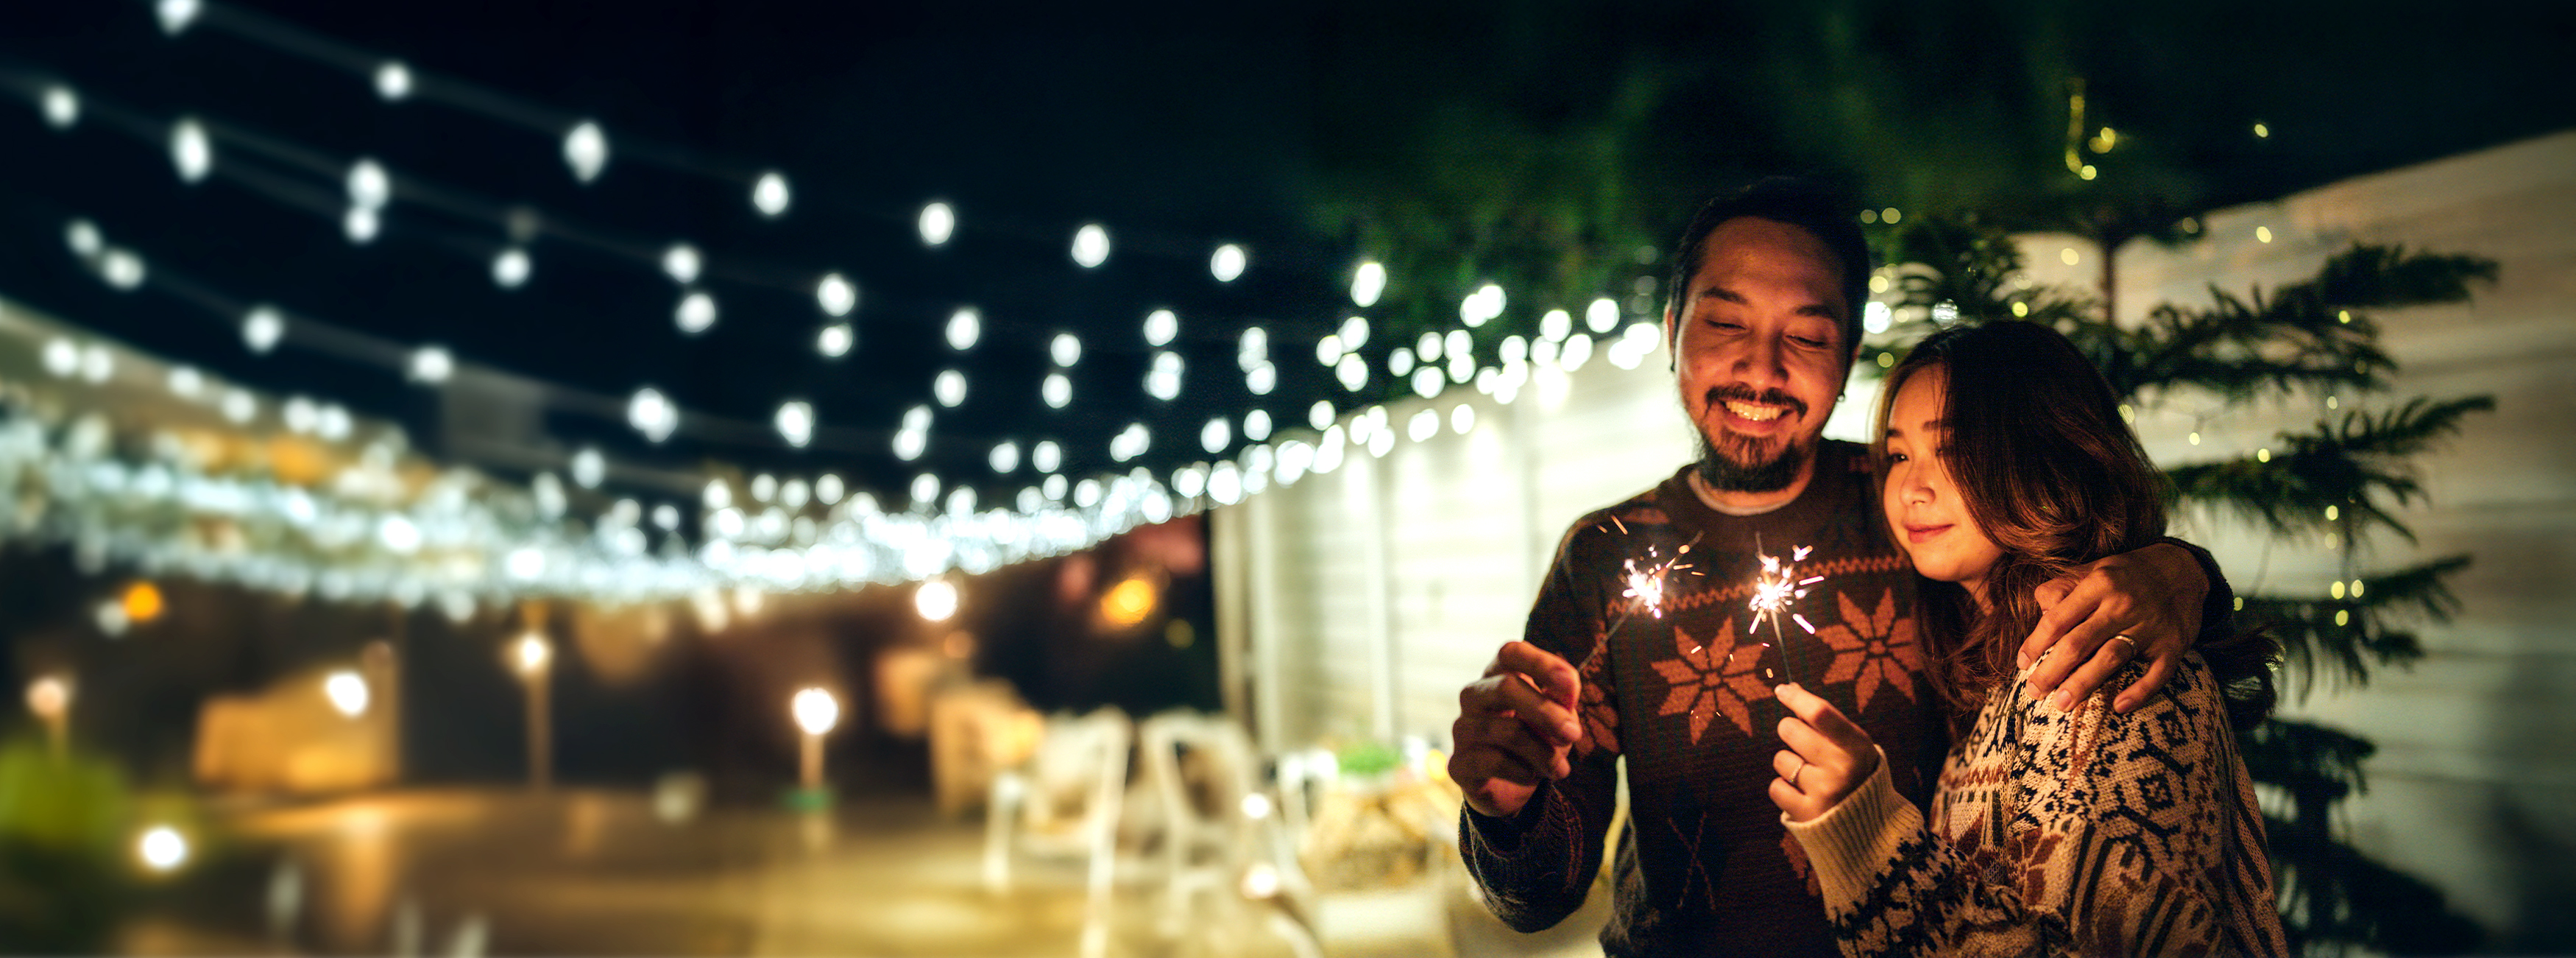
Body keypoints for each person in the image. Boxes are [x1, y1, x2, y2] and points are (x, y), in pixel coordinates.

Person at [1448, 177, 2232, 957]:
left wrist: (2177, 571)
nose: (1759, 369)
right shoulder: (1603, 555)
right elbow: (1538, 895)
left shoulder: (1913, 509)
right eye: (1724, 322)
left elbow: (2051, 552)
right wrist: (1505, 809)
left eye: (1807, 336)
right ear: (1670, 331)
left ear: (1849, 353)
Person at [1770, 320, 2286, 956]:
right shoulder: (1998, 669)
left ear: (2048, 454)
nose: (1911, 487)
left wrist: (1869, 838)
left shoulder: (2097, 671)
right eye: (1900, 454)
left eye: (1954, 451)